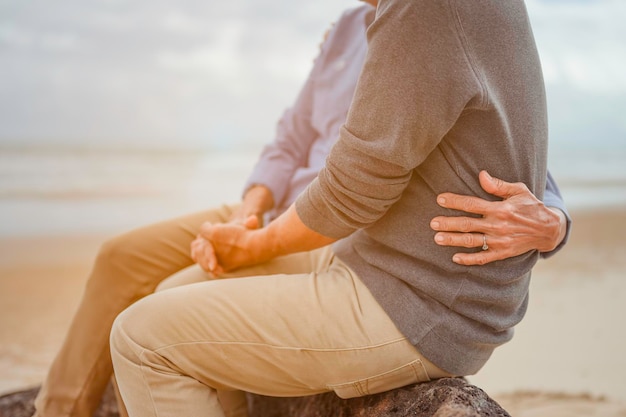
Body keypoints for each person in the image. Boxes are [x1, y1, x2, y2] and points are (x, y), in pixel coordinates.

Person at [34, 2, 570, 417]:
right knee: (169, 288)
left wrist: (554, 222)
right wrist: (250, 216)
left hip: (409, 295)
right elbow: (292, 140)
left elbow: (356, 187)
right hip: (354, 246)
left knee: (140, 338)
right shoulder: (363, 25)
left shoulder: (423, 13)